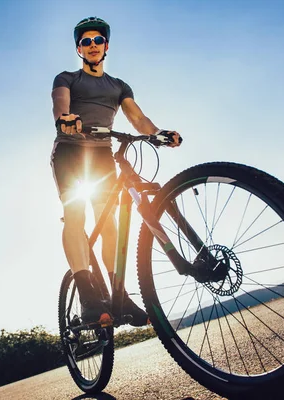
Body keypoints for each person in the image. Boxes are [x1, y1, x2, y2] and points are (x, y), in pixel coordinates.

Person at [50, 17, 181, 327]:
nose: (92, 45)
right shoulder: (67, 77)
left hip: (102, 156)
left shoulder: (118, 86)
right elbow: (60, 102)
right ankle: (88, 297)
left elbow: (137, 118)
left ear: (106, 46)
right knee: (76, 214)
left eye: (98, 41)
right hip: (70, 151)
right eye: (86, 42)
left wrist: (157, 133)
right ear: (79, 49)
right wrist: (64, 118)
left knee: (109, 223)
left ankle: (119, 295)